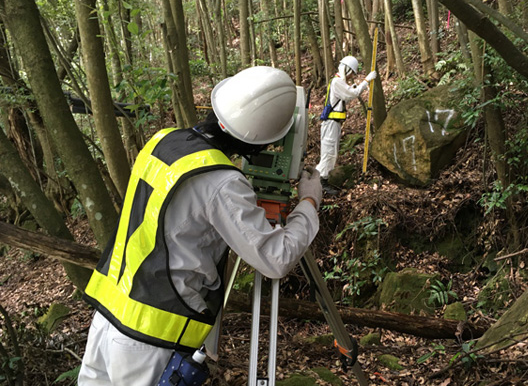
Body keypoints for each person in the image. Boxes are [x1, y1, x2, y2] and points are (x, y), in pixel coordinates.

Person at [77, 66, 322, 385]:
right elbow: (275, 259)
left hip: (107, 317)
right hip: (150, 338)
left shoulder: (163, 141)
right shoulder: (222, 182)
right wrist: (309, 203)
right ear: (262, 142)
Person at [316, 55, 377, 195]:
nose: (350, 77)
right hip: (331, 123)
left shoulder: (339, 83)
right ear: (347, 69)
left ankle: (322, 180)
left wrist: (355, 86)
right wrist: (366, 81)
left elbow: (345, 97)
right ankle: (320, 182)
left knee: (331, 153)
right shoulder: (337, 82)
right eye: (351, 74)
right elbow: (351, 94)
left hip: (334, 124)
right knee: (328, 153)